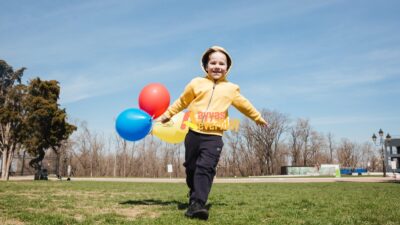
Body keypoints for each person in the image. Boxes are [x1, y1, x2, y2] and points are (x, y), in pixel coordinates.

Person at [160, 46, 267, 220]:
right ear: (206, 65)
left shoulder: (231, 89)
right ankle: (194, 191)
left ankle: (197, 204)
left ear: (227, 67)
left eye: (221, 63)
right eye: (213, 63)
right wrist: (167, 115)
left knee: (206, 168)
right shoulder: (196, 83)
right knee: (191, 168)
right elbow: (181, 101)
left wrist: (257, 117)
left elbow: (244, 105)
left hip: (214, 137)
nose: (217, 66)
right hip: (193, 133)